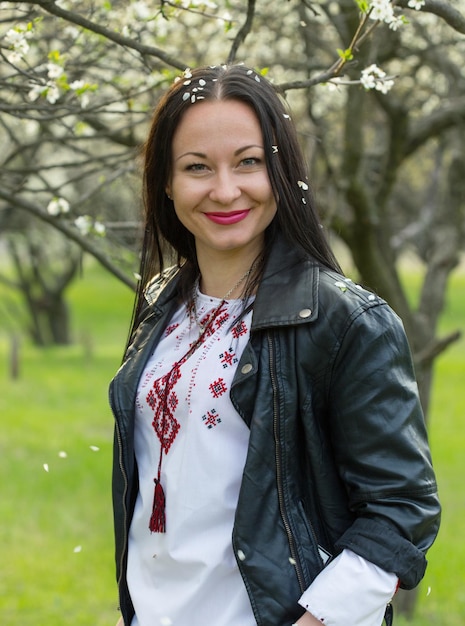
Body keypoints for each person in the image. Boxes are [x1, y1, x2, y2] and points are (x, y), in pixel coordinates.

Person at [109, 64, 440, 626]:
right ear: (166, 182)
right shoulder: (161, 306)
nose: (224, 189)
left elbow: (401, 509)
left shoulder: (345, 321)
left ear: (281, 172)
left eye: (249, 163)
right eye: (196, 168)